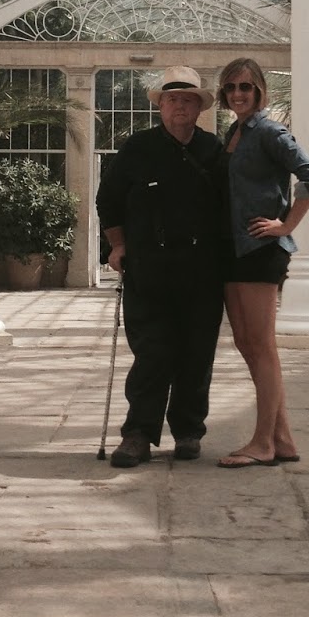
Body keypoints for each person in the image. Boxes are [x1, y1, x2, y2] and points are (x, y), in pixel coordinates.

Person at [96, 66, 226, 468]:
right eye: (172, 100)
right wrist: (118, 246)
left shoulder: (214, 151)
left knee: (196, 354)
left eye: (188, 100)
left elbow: (230, 206)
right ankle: (138, 433)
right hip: (148, 268)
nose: (179, 106)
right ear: (160, 107)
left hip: (202, 270)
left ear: (200, 108)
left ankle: (188, 432)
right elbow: (108, 200)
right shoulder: (137, 148)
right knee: (152, 352)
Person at [216, 58, 309, 468]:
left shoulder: (270, 131)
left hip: (260, 250)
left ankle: (262, 443)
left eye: (245, 86)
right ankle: (283, 438)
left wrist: (286, 225)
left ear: (260, 91)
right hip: (233, 248)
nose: (237, 94)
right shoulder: (235, 132)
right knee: (246, 343)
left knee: (261, 345)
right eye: (231, 87)